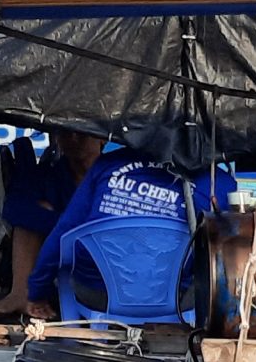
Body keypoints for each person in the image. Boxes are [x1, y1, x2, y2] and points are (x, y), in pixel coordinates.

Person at [27, 136, 235, 318]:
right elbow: (232, 254)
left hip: (98, 295)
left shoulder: (109, 163)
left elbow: (65, 231)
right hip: (174, 299)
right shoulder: (221, 183)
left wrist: (37, 292)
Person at [0, 128, 100, 315]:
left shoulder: (115, 173)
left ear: (102, 138)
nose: (73, 138)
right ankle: (21, 294)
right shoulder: (44, 175)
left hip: (108, 261)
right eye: (67, 132)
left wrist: (60, 219)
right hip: (60, 264)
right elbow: (15, 211)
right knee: (27, 226)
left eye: (83, 132)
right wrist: (64, 223)